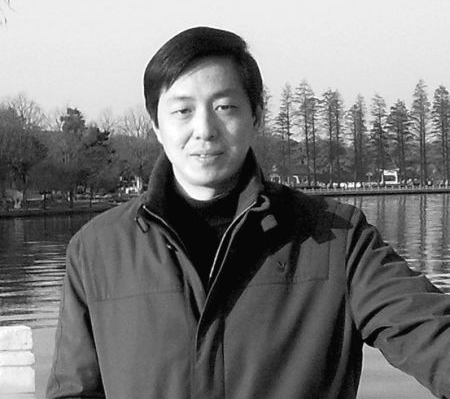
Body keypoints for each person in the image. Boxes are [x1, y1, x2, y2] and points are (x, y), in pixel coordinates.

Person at [47, 26, 450, 399]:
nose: (204, 129)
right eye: (182, 111)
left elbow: (429, 333)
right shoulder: (97, 251)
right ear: (156, 125)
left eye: (224, 107)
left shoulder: (336, 240)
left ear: (255, 116)